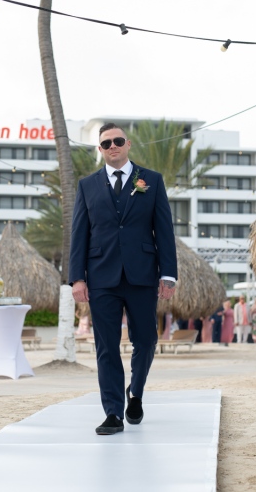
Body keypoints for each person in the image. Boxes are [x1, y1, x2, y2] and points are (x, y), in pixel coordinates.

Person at [69, 122, 177, 435]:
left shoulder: (150, 180)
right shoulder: (87, 185)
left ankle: (136, 392)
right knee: (106, 347)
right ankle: (113, 412)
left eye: (117, 141)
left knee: (146, 340)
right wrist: (77, 278)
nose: (112, 146)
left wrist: (168, 274)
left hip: (143, 274)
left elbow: (164, 230)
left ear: (127, 144)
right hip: (101, 276)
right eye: (105, 143)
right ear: (100, 150)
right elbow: (79, 234)